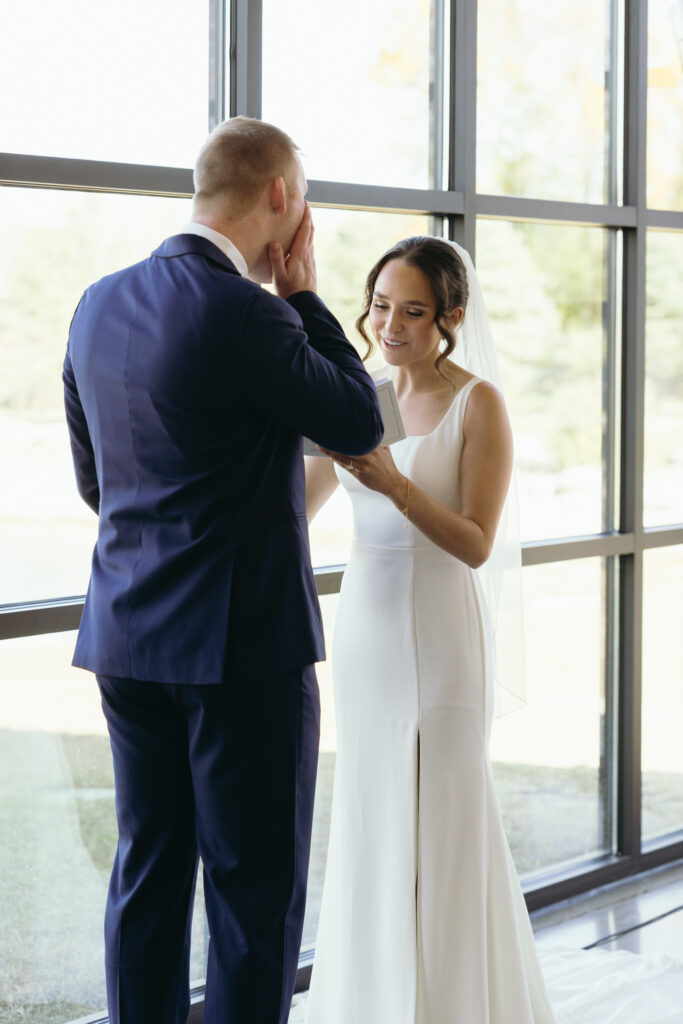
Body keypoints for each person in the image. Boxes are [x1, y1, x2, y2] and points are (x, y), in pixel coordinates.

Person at [62, 116, 383, 1024]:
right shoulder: (253, 309)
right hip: (244, 649)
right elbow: (357, 421)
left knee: (147, 870)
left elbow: (98, 482)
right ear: (282, 196)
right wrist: (310, 296)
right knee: (252, 892)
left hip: (126, 638)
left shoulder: (97, 301)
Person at [304, 236, 555, 1023]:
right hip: (366, 636)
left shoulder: (477, 403)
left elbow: (476, 542)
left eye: (411, 311)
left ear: (449, 317)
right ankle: (371, 1001)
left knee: (443, 820)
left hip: (446, 638)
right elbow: (296, 506)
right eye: (380, 305)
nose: (390, 325)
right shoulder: (357, 393)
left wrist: (393, 483)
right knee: (372, 815)